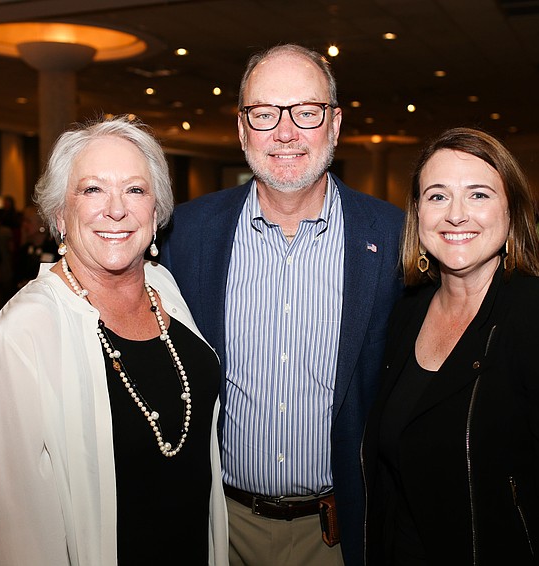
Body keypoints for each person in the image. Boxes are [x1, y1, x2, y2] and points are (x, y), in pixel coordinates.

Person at [160, 44, 404, 566]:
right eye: (265, 113)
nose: (285, 132)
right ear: (242, 128)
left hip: (338, 531)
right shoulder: (188, 233)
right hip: (220, 525)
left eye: (306, 112)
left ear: (335, 125)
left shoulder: (393, 237)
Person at [0, 116, 228, 565]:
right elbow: (17, 537)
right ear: (59, 216)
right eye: (92, 189)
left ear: (156, 210)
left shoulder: (164, 286)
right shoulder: (22, 334)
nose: (116, 209)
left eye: (135, 189)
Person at [363, 128, 539, 564]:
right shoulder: (405, 312)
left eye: (478, 195)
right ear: (417, 212)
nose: (456, 215)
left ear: (513, 211)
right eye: (438, 196)